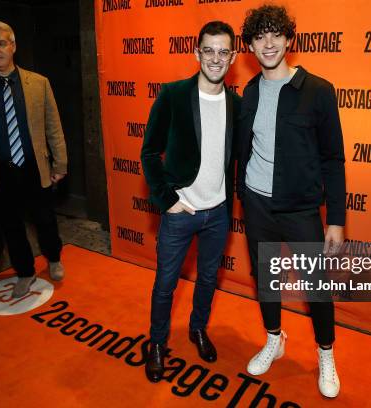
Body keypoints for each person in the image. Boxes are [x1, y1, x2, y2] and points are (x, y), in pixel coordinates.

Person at [237, 5, 346, 398]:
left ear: (289, 40)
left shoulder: (318, 91)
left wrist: (336, 219)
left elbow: (333, 158)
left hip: (301, 209)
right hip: (257, 205)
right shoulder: (248, 93)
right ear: (250, 45)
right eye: (259, 36)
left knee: (316, 286)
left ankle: (325, 353)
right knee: (266, 280)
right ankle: (274, 339)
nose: (268, 43)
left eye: (275, 34)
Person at [140, 21, 241, 383]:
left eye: (223, 51)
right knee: (166, 283)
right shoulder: (173, 95)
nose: (215, 58)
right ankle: (155, 343)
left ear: (233, 56)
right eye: (208, 50)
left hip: (217, 213)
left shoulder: (237, 104)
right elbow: (150, 152)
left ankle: (198, 329)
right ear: (196, 52)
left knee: (209, 279)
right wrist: (168, 200)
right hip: (180, 212)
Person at [0, 21, 68, 298]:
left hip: (35, 167)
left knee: (45, 220)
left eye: (2, 43)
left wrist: (60, 164)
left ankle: (53, 258)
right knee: (11, 226)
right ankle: (25, 272)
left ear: (13, 46)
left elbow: (53, 127)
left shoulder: (39, 83)